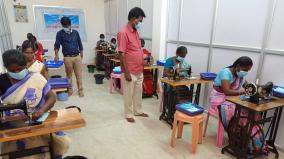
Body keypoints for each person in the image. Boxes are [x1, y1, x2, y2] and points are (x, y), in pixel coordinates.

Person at [0, 49, 70, 159]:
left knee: (58, 144)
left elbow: (51, 97)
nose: (17, 72)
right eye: (12, 70)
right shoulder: (1, 81)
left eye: (20, 69)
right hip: (13, 124)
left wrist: (42, 110)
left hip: (37, 119)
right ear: (6, 68)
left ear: (25, 66)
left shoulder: (36, 78)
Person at [209, 56, 267, 155]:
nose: (246, 72)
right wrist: (242, 92)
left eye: (248, 70)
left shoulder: (240, 75)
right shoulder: (226, 73)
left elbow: (247, 86)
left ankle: (252, 142)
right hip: (218, 98)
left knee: (250, 112)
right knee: (237, 111)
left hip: (231, 98)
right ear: (238, 66)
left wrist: (258, 88)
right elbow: (227, 91)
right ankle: (237, 136)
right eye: (245, 69)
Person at [117, 7, 148, 123]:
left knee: (138, 93)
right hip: (130, 71)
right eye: (139, 21)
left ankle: (138, 111)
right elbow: (121, 53)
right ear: (133, 19)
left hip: (139, 70)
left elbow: (136, 50)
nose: (140, 23)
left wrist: (143, 60)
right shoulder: (123, 32)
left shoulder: (136, 32)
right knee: (128, 95)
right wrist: (126, 72)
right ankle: (129, 114)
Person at [54, 17, 84, 97]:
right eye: (64, 26)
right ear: (62, 25)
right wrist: (56, 55)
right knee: (69, 75)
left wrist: (81, 53)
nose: (66, 27)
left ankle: (80, 90)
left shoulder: (75, 33)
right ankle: (69, 90)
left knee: (79, 75)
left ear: (70, 24)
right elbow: (57, 45)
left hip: (77, 57)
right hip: (67, 58)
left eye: (67, 26)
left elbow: (80, 43)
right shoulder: (60, 34)